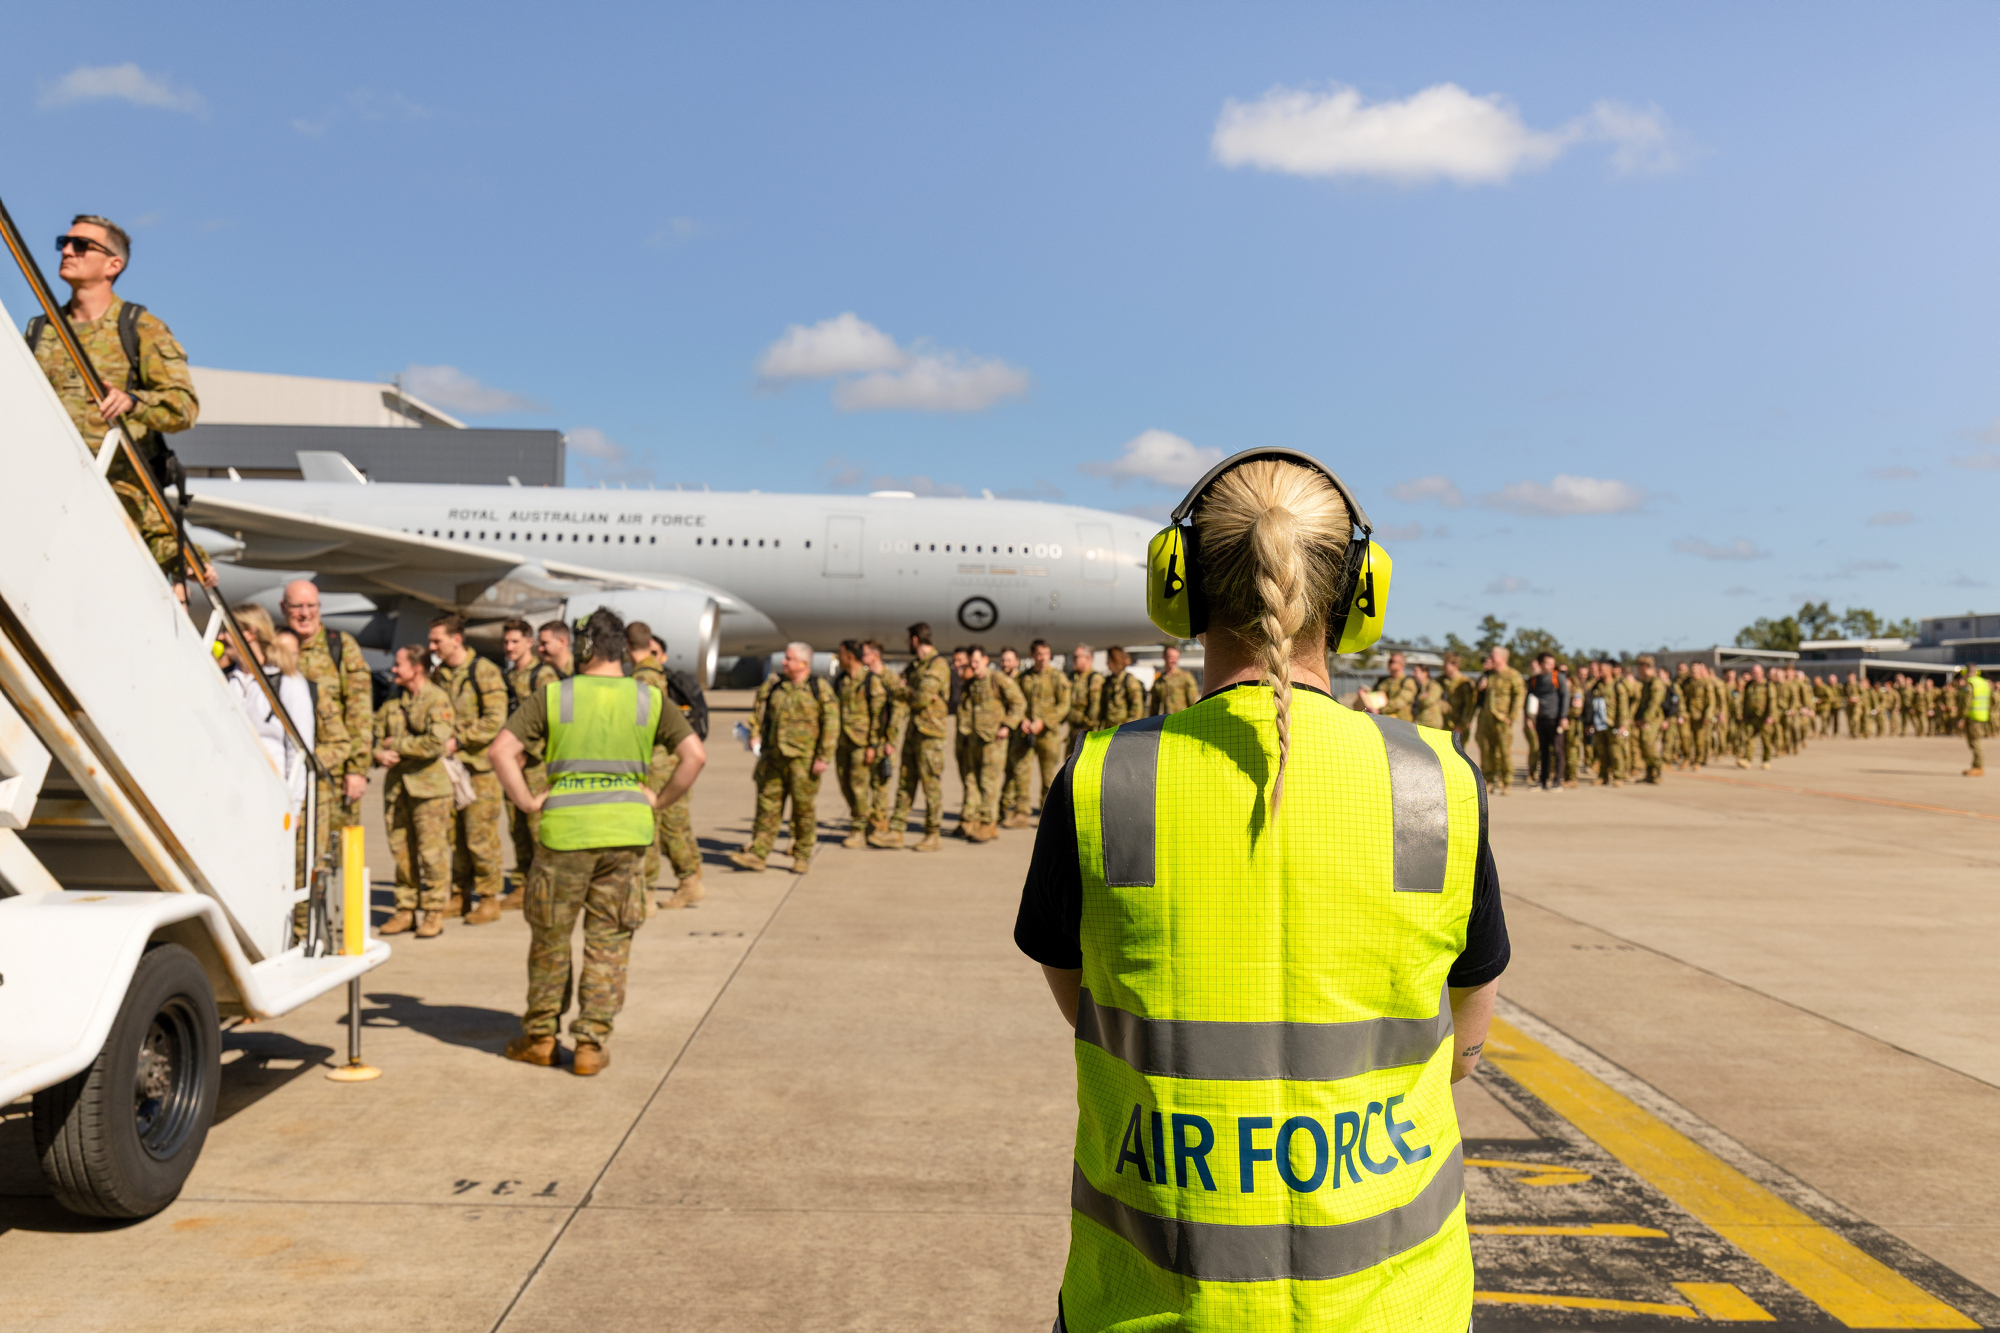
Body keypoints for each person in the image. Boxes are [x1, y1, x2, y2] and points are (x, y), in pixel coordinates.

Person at [1014, 451, 1504, 1332]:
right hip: (1400, 1311)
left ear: (1179, 588)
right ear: (1361, 595)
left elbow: (1086, 1000)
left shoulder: (1104, 778)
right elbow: (1465, 1039)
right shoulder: (1436, 780)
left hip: (1155, 1309)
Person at [491, 609, 705, 1075]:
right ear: (623, 651)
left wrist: (528, 802)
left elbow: (500, 751)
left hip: (564, 835)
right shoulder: (647, 699)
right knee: (608, 943)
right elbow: (694, 755)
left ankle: (542, 1037)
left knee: (551, 939)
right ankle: (590, 1044)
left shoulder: (554, 697)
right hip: (626, 836)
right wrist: (657, 800)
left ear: (583, 647)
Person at [28, 215, 201, 587]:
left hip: (116, 504)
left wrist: (133, 402)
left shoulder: (141, 327)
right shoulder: (39, 330)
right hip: (42, 491)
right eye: (64, 242)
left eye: (81, 245)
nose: (68, 251)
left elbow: (184, 408)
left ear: (113, 265)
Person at [281, 580, 374, 859]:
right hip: (291, 773)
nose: (304, 613)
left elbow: (360, 712)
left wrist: (357, 769)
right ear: (283, 608)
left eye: (311, 606)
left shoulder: (341, 647)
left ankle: (336, 905)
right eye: (297, 606)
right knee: (294, 854)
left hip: (333, 775)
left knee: (337, 856)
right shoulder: (276, 647)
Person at [429, 614, 510, 924]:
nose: (433, 646)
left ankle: (489, 898)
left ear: (456, 639)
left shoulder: (484, 672)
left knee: (480, 835)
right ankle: (461, 893)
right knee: (456, 836)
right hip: (451, 770)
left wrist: (459, 740)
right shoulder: (439, 675)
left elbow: (494, 719)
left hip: (479, 771)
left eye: (437, 640)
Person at [731, 642, 838, 873]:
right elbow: (758, 712)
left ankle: (801, 855)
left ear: (803, 664)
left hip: (804, 760)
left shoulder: (818, 689)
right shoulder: (774, 686)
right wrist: (755, 735)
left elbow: (831, 724)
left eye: (789, 659)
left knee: (803, 810)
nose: (784, 662)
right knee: (767, 807)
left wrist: (824, 756)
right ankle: (758, 854)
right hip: (773, 758)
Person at [375, 645, 457, 939]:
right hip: (398, 788)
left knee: (432, 853)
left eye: (399, 665)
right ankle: (405, 909)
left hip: (430, 789)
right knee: (401, 852)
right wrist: (377, 753)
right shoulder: (395, 699)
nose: (394, 670)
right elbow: (374, 733)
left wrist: (395, 746)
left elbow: (436, 743)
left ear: (416, 668)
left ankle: (434, 912)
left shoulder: (436, 699)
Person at [626, 624, 706, 908]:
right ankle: (689, 880)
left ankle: (648, 893)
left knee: (650, 828)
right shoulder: (658, 673)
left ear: (627, 646)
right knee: (674, 826)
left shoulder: (643, 678)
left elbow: (644, 725)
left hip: (654, 762)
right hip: (670, 759)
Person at [873, 623, 955, 851]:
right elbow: (906, 689)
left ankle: (932, 833)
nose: (908, 643)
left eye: (910, 639)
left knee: (931, 785)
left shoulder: (937, 665)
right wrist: (905, 688)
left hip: (930, 735)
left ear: (916, 640)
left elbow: (920, 697)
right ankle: (896, 830)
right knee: (905, 782)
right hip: (914, 732)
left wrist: (898, 685)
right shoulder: (917, 666)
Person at [501, 618, 561, 906]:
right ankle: (523, 883)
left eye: (515, 641)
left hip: (536, 766)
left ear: (529, 642)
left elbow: (553, 720)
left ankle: (549, 886)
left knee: (540, 829)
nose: (509, 647)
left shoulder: (544, 675)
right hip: (511, 765)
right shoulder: (509, 677)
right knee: (517, 826)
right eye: (506, 642)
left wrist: (527, 751)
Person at [955, 645, 1026, 842]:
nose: (974, 666)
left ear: (986, 660)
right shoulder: (971, 684)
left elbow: (1019, 702)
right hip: (974, 740)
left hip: (994, 741)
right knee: (974, 781)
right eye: (971, 663)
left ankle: (987, 823)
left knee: (989, 783)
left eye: (977, 662)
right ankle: (977, 821)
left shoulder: (997, 679)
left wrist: (1008, 725)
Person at [1009, 638, 1072, 825]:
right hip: (1026, 734)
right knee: (1022, 772)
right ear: (1032, 656)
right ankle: (1021, 812)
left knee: (1048, 776)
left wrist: (1045, 721)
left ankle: (1045, 814)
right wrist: (1022, 719)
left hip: (1048, 735)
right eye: (1039, 654)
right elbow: (1015, 701)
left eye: (1046, 654)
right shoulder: (1023, 678)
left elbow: (1064, 705)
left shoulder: (1057, 677)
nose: (1043, 658)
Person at [834, 640, 889, 848]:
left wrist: (873, 746)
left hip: (861, 742)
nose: (838, 658)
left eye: (841, 653)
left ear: (849, 655)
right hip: (842, 741)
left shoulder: (870, 681)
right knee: (845, 784)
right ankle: (862, 820)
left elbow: (879, 716)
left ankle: (858, 829)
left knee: (859, 787)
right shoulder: (840, 680)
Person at [860, 639, 901, 838]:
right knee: (866, 783)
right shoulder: (864, 678)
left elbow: (898, 711)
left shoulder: (889, 679)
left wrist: (891, 741)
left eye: (865, 653)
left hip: (883, 741)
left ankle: (879, 823)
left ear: (875, 656)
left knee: (880, 785)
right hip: (867, 740)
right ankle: (870, 821)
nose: (862, 657)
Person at [1476, 646, 1525, 794]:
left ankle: (1506, 781)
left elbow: (1519, 696)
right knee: (1486, 750)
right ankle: (1489, 780)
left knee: (1504, 751)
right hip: (1486, 718)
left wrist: (1512, 716)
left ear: (1502, 659)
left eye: (1493, 657)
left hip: (1502, 719)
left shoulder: (1513, 675)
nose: (1490, 659)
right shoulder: (1488, 675)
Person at [1525, 653, 1567, 790]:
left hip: (1555, 720)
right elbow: (1529, 698)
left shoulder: (1558, 678)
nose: (1551, 666)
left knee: (1557, 750)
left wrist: (1563, 717)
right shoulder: (1534, 680)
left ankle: (1557, 781)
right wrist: (1528, 717)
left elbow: (1565, 696)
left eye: (1552, 663)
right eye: (1548, 663)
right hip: (1540, 719)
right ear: (1540, 664)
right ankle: (1543, 780)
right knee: (1543, 751)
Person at [1064, 644, 1105, 759]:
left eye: (1076, 657)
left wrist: (1084, 728)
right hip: (1073, 733)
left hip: (1088, 734)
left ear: (1087, 658)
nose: (1073, 660)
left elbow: (1095, 708)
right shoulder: (1073, 678)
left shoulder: (1094, 679)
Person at [1098, 646, 1148, 729]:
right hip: (1109, 731)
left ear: (1116, 660)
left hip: (1123, 731)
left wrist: (1127, 730)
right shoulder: (1109, 681)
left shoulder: (1130, 681)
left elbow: (1137, 711)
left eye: (1109, 660)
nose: (1106, 663)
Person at [1147, 644, 1200, 716]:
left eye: (1176, 658)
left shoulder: (1186, 677)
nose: (1174, 660)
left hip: (1183, 720)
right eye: (1171, 657)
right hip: (1167, 722)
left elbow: (1193, 702)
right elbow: (1154, 707)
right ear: (1164, 657)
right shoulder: (1159, 681)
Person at [1369, 650, 1418, 721]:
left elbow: (1400, 702)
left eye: (1392, 661)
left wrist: (1380, 710)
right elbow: (1374, 694)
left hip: (1400, 722)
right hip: (1381, 720)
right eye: (1389, 661)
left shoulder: (1407, 681)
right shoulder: (1383, 680)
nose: (1389, 663)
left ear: (1401, 664)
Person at [1962, 664, 1989, 777]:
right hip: (1982, 715)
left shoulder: (1971, 683)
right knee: (1975, 741)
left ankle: (1978, 767)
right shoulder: (1983, 682)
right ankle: (1975, 765)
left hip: (1972, 716)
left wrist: (1962, 717)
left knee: (1975, 742)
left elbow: (1967, 701)